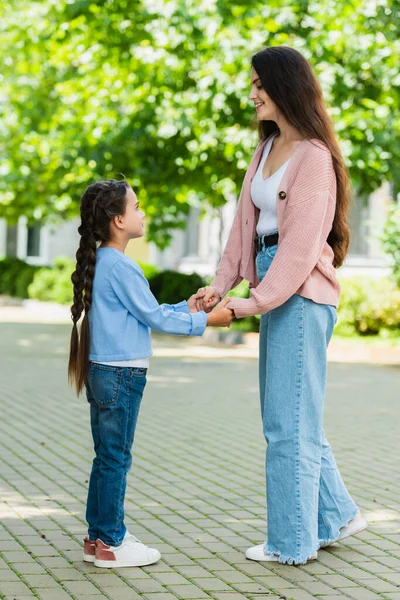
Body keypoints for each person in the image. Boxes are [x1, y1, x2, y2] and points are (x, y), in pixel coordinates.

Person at [197, 46, 367, 565]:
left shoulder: (314, 158)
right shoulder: (266, 150)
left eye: (258, 84)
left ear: (284, 85)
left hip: (301, 292)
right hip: (276, 286)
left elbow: (296, 250)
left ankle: (292, 543)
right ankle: (337, 514)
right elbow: (243, 231)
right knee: (292, 416)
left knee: (287, 424)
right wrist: (221, 286)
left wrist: (254, 303)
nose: (251, 94)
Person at [68, 179, 233, 569]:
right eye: (137, 207)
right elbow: (154, 318)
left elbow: (145, 311)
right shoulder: (121, 266)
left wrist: (188, 307)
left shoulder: (104, 262)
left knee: (106, 457)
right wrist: (207, 319)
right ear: (119, 219)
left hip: (103, 371)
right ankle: (111, 541)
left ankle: (97, 537)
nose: (143, 213)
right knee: (116, 459)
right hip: (121, 376)